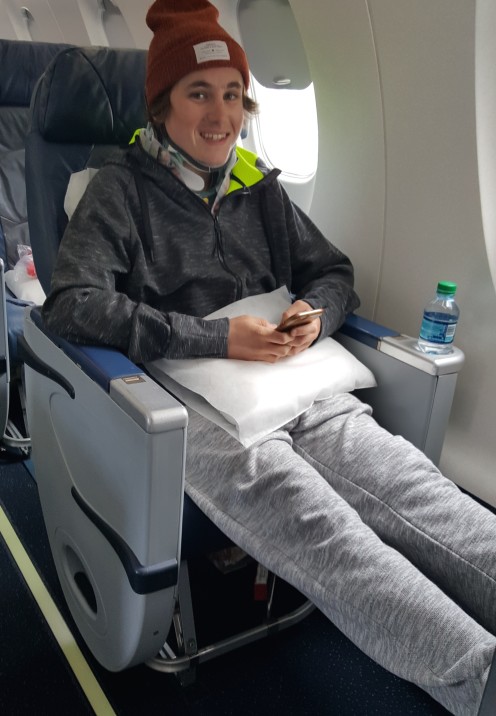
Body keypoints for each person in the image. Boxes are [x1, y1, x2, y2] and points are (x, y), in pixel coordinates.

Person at [41, 1, 496, 714]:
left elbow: (334, 271)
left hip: (296, 383)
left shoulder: (259, 187)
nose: (221, 115)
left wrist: (315, 315)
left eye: (232, 94)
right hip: (192, 405)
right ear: (161, 106)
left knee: (419, 491)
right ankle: (479, 679)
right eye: (198, 93)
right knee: (327, 532)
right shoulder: (118, 192)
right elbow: (71, 304)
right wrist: (217, 338)